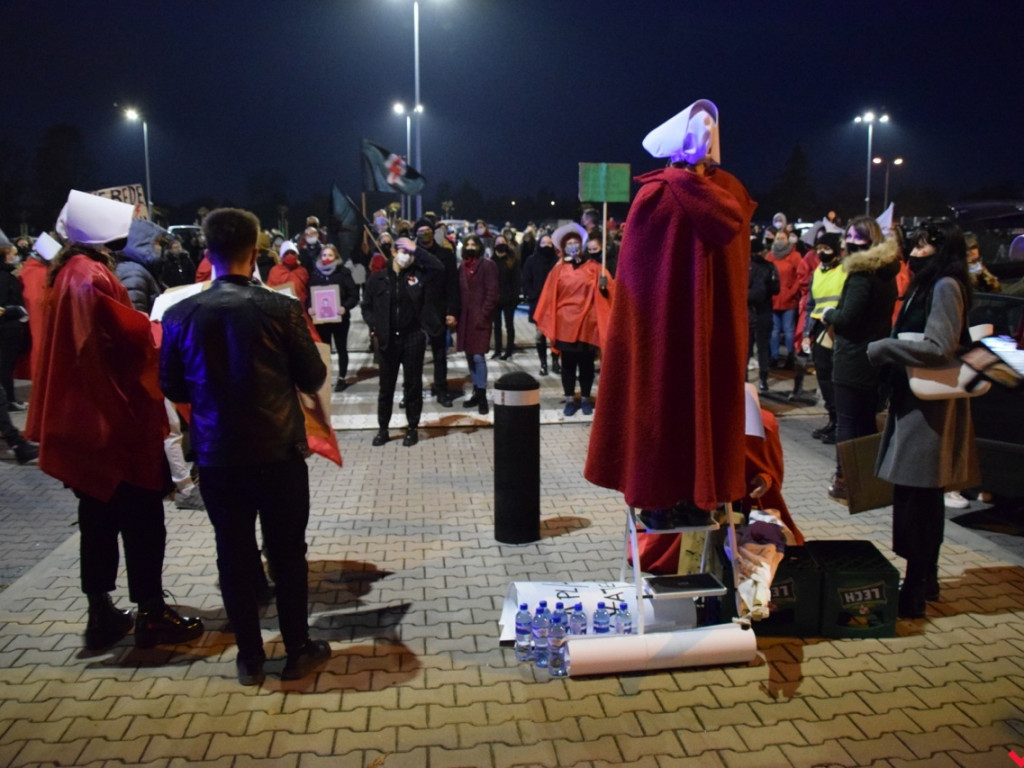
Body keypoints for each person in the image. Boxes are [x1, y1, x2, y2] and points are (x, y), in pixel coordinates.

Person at [27, 189, 203, 652]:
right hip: (112, 422)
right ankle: (151, 612)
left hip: (87, 420)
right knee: (143, 520)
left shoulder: (64, 271)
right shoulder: (88, 275)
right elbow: (116, 338)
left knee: (97, 520)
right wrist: (161, 326)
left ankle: (101, 612)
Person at [160, 207, 329, 685]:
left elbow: (172, 384)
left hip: (218, 455)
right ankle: (297, 649)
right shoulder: (280, 307)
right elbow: (313, 375)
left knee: (232, 554)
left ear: (205, 250)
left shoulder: (179, 314)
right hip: (278, 451)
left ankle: (249, 658)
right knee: (287, 552)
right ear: (254, 252)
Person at [585, 99, 756, 518]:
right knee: (706, 401)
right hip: (716, 336)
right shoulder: (729, 193)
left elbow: (638, 294)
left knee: (659, 398)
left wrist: (637, 337)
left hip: (662, 339)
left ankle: (661, 501)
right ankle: (704, 495)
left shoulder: (656, 194)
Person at [867, 221, 980, 618]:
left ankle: (915, 586)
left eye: (921, 247)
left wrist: (885, 348)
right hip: (916, 401)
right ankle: (924, 579)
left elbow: (939, 345)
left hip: (930, 407)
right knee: (919, 495)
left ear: (940, 249)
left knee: (920, 497)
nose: (913, 254)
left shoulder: (945, 285)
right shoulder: (931, 284)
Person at [823, 215, 900, 501]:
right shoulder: (886, 271)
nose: (849, 244)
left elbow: (848, 317)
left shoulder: (862, 275)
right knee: (865, 420)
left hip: (854, 357)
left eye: (855, 238)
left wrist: (829, 315)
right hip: (875, 355)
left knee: (848, 421)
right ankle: (867, 480)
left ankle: (845, 480)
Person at [360, 234, 443, 446]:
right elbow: (367, 306)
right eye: (403, 251)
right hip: (388, 339)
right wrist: (375, 326)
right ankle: (383, 429)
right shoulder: (377, 278)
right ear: (394, 252)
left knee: (412, 385)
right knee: (386, 387)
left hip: (413, 337)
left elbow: (439, 269)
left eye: (410, 253)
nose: (407, 256)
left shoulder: (418, 275)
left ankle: (412, 428)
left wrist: (418, 250)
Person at [533, 223, 615, 416]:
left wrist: (605, 287)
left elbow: (610, 293)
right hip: (565, 325)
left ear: (582, 244)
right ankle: (570, 399)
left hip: (588, 324)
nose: (573, 245)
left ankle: (585, 398)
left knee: (586, 365)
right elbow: (549, 296)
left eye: (575, 242)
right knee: (568, 365)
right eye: (569, 243)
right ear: (563, 247)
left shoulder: (596, 268)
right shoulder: (558, 270)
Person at [802, 232, 847, 443]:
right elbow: (811, 305)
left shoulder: (845, 270)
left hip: (838, 329)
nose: (821, 252)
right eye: (819, 248)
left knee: (836, 376)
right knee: (824, 376)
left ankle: (840, 423)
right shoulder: (817, 272)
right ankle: (832, 419)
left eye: (826, 248)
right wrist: (805, 333)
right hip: (819, 328)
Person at [414, 218, 459, 407]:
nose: (424, 234)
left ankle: (441, 390)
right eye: (420, 231)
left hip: (438, 310)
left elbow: (452, 285)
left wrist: (452, 311)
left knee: (440, 355)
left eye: (427, 230)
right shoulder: (411, 255)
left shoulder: (446, 255)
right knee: (413, 357)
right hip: (415, 313)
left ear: (433, 232)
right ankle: (412, 392)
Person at [456, 234, 499, 414]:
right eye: (468, 244)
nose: (471, 246)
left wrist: (483, 314)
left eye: (474, 244)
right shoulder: (461, 267)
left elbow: (493, 292)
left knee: (478, 357)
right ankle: (475, 390)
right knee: (469, 356)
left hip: (480, 318)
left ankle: (482, 395)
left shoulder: (488, 265)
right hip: (465, 319)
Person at [308, 243, 359, 391]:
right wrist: (310, 307)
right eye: (324, 255)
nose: (326, 258)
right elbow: (309, 295)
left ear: (336, 256)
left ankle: (342, 378)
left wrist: (345, 307)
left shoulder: (343, 272)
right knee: (324, 349)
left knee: (341, 348)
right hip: (322, 321)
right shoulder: (315, 273)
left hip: (340, 319)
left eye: (330, 255)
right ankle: (326, 376)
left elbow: (353, 295)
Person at [521, 232, 560, 376]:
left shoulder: (557, 262)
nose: (547, 246)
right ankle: (543, 363)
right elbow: (526, 280)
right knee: (540, 335)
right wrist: (533, 296)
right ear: (539, 244)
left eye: (550, 243)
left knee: (556, 335)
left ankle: (556, 362)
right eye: (544, 243)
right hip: (538, 303)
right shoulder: (531, 261)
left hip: (555, 304)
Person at [747, 236, 779, 393]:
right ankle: (763, 380)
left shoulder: (749, 267)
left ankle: (746, 379)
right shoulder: (769, 267)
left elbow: (756, 293)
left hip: (752, 312)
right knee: (762, 348)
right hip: (763, 311)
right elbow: (776, 289)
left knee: (750, 348)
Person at [767, 228, 802, 369]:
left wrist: (791, 292)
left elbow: (799, 277)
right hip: (774, 300)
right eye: (778, 238)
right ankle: (774, 356)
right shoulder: (770, 256)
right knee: (774, 330)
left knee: (788, 330)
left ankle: (790, 356)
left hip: (789, 300)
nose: (780, 241)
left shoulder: (795, 256)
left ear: (788, 240)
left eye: (783, 238)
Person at [0, 242, 29, 409]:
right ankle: (9, 400)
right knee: (6, 366)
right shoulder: (5, 277)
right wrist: (18, 310)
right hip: (9, 326)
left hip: (7, 325)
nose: (14, 257)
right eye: (12, 254)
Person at [491, 233, 521, 360]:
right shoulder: (491, 261)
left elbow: (516, 281)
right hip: (495, 299)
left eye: (502, 242)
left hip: (509, 299)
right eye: (497, 243)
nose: (500, 245)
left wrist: (515, 298)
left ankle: (508, 351)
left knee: (509, 325)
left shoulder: (512, 261)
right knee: (496, 326)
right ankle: (497, 350)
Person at [267, 240, 311, 306]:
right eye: (286, 253)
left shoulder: (302, 271)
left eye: (292, 253)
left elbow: (307, 292)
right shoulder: (275, 271)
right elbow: (271, 292)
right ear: (282, 256)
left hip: (301, 309)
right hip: (282, 309)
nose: (290, 255)